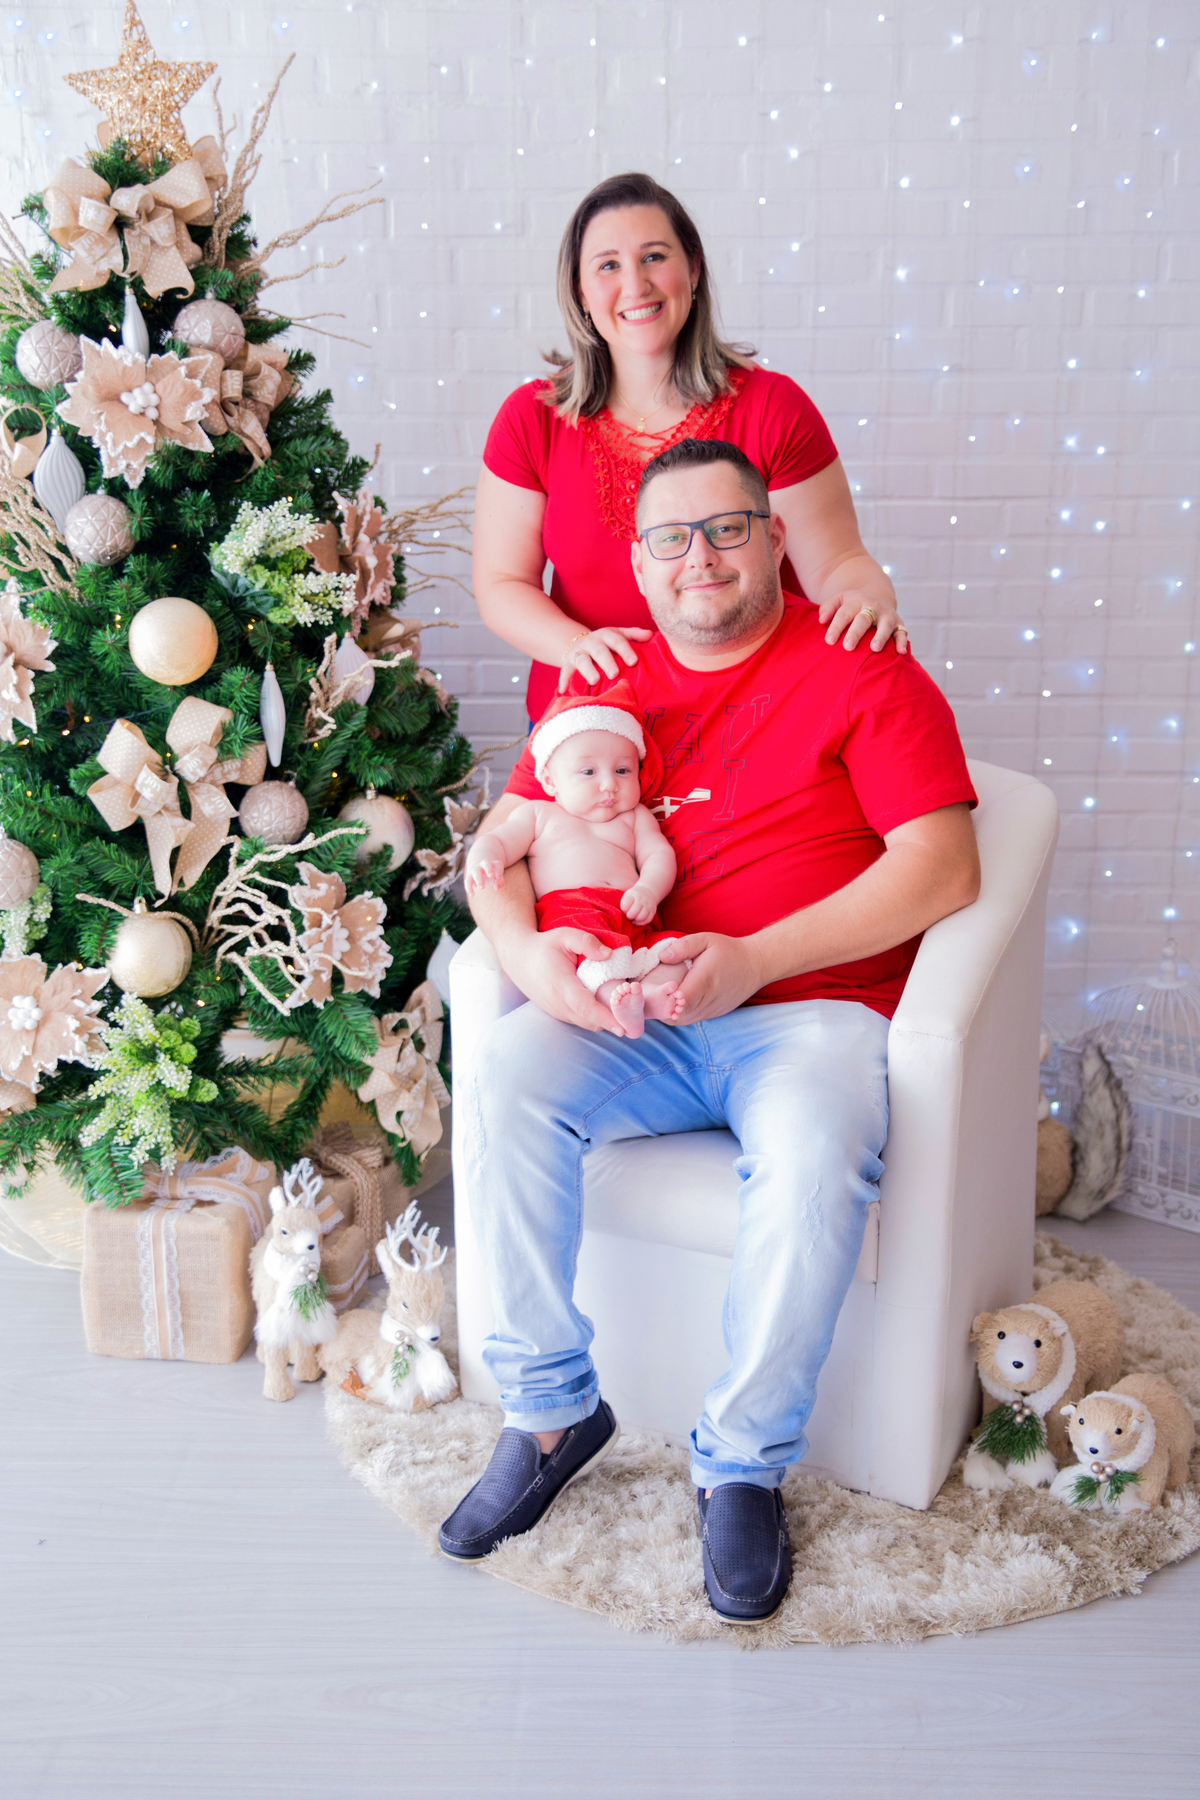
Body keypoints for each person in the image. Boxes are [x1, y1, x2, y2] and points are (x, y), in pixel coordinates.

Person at [439, 439, 980, 1627]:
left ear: (775, 538)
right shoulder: (608, 676)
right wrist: (530, 960)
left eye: (728, 528)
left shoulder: (861, 663)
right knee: (508, 1065)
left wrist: (756, 961)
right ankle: (549, 1411)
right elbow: (504, 845)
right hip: (641, 1011)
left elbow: (945, 867)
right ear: (637, 563)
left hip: (807, 1014)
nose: (702, 557)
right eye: (671, 537)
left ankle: (740, 1461)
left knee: (819, 1141)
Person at [473, 170, 908, 722]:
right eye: (608, 265)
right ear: (580, 291)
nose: (635, 285)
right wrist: (577, 648)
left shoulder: (774, 407)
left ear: (694, 268)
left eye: (654, 257)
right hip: (594, 727)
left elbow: (840, 563)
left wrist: (867, 599)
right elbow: (502, 583)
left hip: (755, 720)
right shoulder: (531, 419)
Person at [464, 684, 688, 1037]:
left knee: (674, 953)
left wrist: (648, 889)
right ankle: (615, 998)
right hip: (573, 912)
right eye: (588, 772)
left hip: (632, 917)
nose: (609, 784)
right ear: (550, 781)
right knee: (591, 955)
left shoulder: (634, 817)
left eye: (623, 771)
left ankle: (649, 997)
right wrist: (485, 859)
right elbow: (497, 840)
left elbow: (659, 855)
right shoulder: (538, 815)